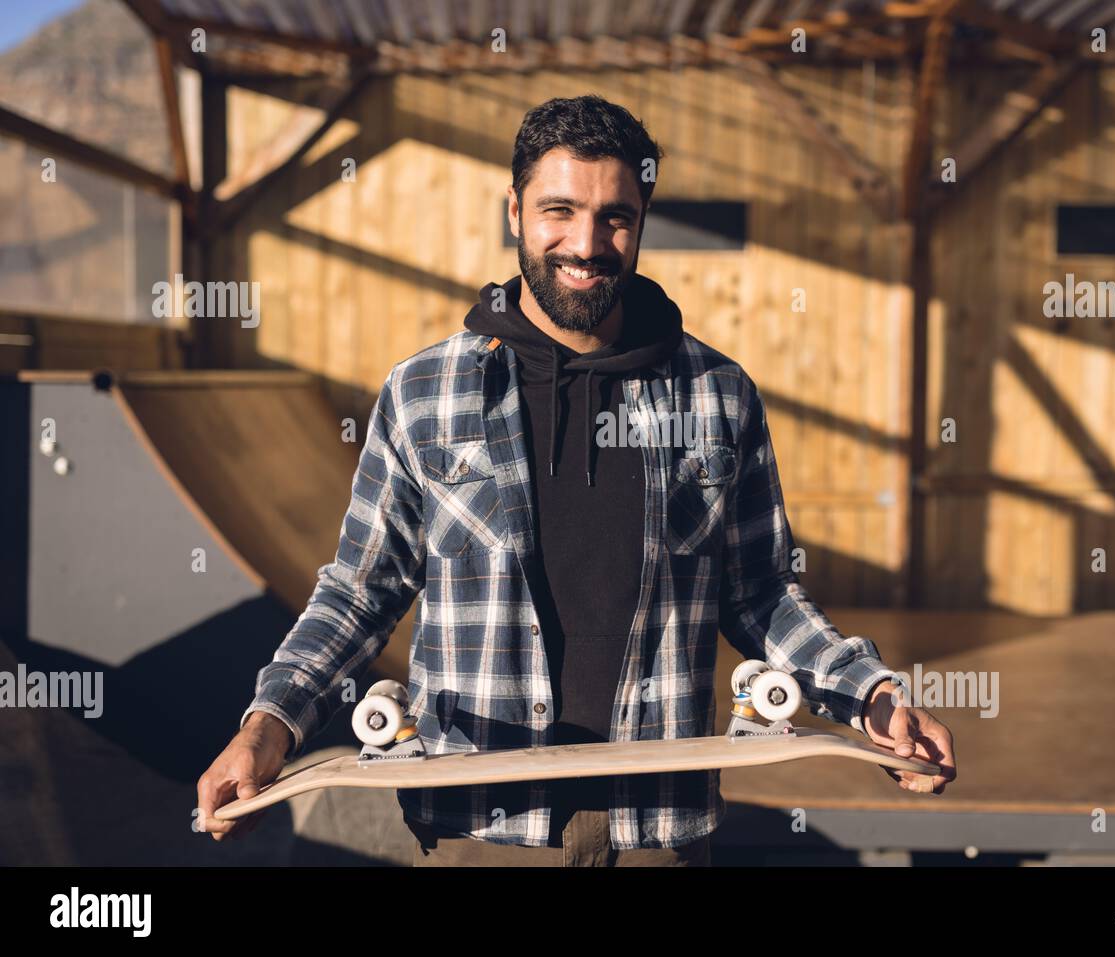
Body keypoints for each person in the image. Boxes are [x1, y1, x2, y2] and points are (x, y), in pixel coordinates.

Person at [197, 94, 956, 867]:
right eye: (559, 209)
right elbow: (360, 591)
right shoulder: (425, 392)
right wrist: (269, 726)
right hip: (478, 823)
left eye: (616, 216)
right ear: (515, 210)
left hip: (654, 822)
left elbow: (762, 591)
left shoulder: (717, 394)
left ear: (642, 219)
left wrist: (872, 696)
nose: (587, 243)